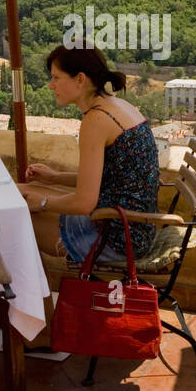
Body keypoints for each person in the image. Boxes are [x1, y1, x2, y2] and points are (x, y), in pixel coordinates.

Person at [17, 44, 160, 265]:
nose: (50, 85)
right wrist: (55, 178)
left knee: (13, 217)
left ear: (80, 79)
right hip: (132, 228)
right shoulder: (117, 105)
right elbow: (110, 179)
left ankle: (35, 298)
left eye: (56, 77)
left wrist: (43, 202)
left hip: (115, 238)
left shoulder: (96, 120)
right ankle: (39, 297)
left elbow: (84, 202)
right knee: (20, 193)